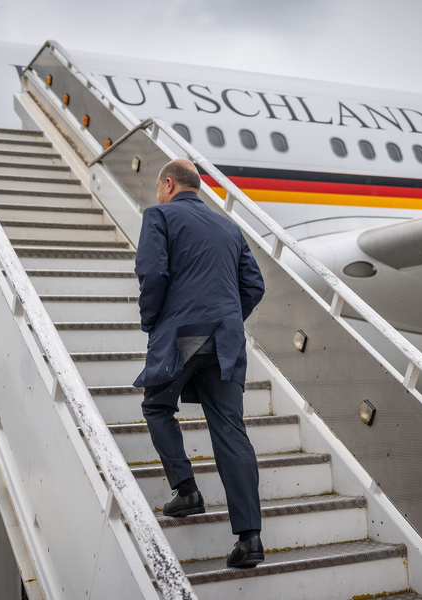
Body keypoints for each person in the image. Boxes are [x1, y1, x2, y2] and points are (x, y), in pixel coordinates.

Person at [133, 158, 266, 568]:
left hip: (183, 333)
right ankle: (250, 540)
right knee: (230, 430)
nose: (158, 194)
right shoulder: (229, 227)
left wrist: (152, 321)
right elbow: (254, 286)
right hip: (226, 339)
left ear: (169, 184)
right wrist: (225, 319)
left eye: (159, 187)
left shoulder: (159, 216)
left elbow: (152, 273)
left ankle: (187, 490)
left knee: (157, 405)